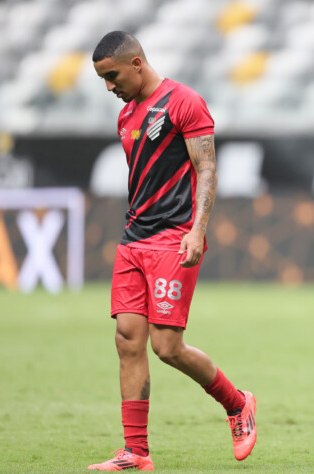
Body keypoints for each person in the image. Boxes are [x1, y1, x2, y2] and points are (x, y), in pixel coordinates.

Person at [88, 31, 256, 471]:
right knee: (127, 340)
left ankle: (238, 403)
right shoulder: (126, 116)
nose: (109, 87)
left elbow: (206, 167)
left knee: (166, 346)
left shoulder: (184, 101)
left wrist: (197, 230)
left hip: (172, 237)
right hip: (133, 240)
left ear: (137, 63)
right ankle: (135, 453)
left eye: (112, 75)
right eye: (102, 79)